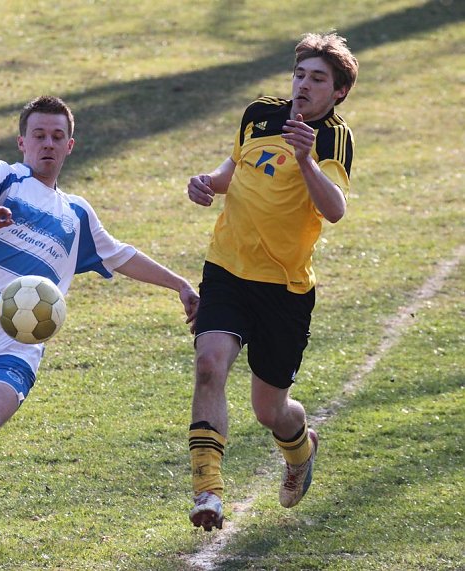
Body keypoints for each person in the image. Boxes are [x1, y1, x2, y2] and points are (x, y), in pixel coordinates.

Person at [0, 95, 200, 554]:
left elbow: (119, 254)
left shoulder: (77, 214)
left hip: (14, 349)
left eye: (57, 137)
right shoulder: (3, 176)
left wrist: (179, 283)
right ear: (22, 141)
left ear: (70, 146)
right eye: (39, 135)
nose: (47, 143)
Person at [183, 32, 358, 531]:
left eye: (317, 78)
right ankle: (208, 492)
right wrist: (208, 183)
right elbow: (234, 168)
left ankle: (300, 449)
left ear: (338, 91)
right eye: (300, 74)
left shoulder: (332, 139)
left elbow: (334, 210)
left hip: (284, 290)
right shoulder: (260, 113)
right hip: (228, 269)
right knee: (209, 364)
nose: (304, 84)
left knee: (270, 409)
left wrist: (304, 159)